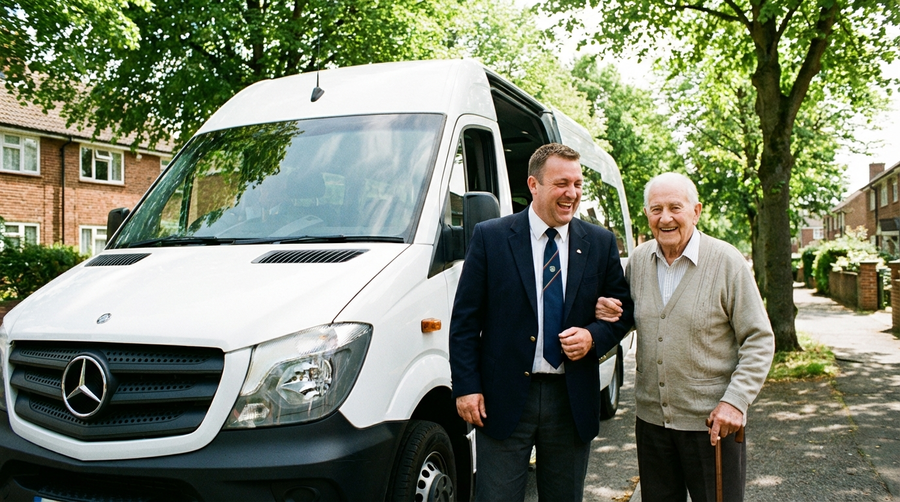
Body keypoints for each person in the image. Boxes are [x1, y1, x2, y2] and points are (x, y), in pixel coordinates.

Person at [449, 143, 635, 501]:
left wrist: (593, 337)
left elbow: (623, 310)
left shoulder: (599, 242)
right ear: (534, 185)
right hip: (502, 400)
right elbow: (465, 322)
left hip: (571, 399)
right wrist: (466, 387)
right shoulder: (492, 237)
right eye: (562, 183)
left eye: (578, 184)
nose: (572, 194)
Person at [596, 172, 774, 502]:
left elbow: (759, 339)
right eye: (655, 209)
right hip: (651, 424)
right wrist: (609, 311)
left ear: (696, 211)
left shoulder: (726, 262)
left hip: (712, 425)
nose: (665, 218)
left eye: (675, 207)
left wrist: (736, 401)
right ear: (646, 214)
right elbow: (632, 316)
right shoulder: (638, 260)